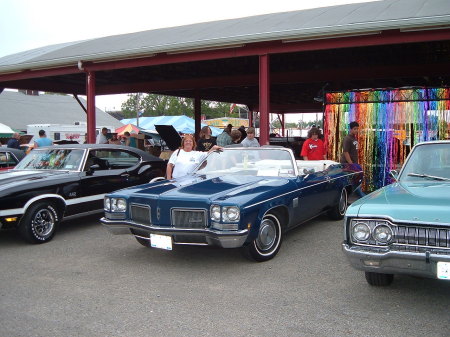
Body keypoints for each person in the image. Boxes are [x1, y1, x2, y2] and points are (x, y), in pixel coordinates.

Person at [340, 121, 365, 197]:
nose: (356, 130)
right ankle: (361, 195)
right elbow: (345, 152)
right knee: (353, 180)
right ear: (350, 129)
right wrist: (351, 164)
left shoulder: (354, 138)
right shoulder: (347, 139)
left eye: (357, 129)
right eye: (354, 129)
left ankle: (357, 195)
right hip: (347, 163)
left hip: (353, 162)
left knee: (354, 180)